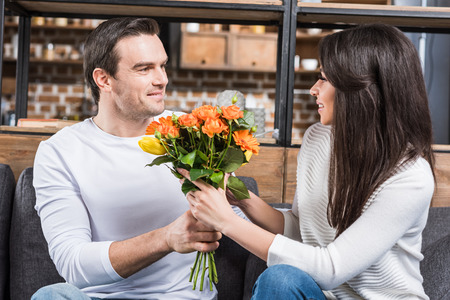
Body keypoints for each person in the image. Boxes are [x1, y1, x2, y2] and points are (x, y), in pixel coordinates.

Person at [180, 23, 435, 299]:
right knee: (282, 280)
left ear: (359, 90)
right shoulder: (316, 139)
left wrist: (227, 221)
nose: (313, 89)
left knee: (280, 278)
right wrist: (242, 199)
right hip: (323, 295)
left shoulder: (410, 177)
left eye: (324, 79)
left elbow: (330, 268)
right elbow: (301, 231)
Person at [31, 17, 221, 299]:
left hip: (182, 297)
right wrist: (167, 238)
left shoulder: (189, 131)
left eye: (162, 65)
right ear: (104, 79)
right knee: (52, 296)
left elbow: (236, 219)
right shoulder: (60, 152)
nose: (162, 79)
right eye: (144, 69)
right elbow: (72, 263)